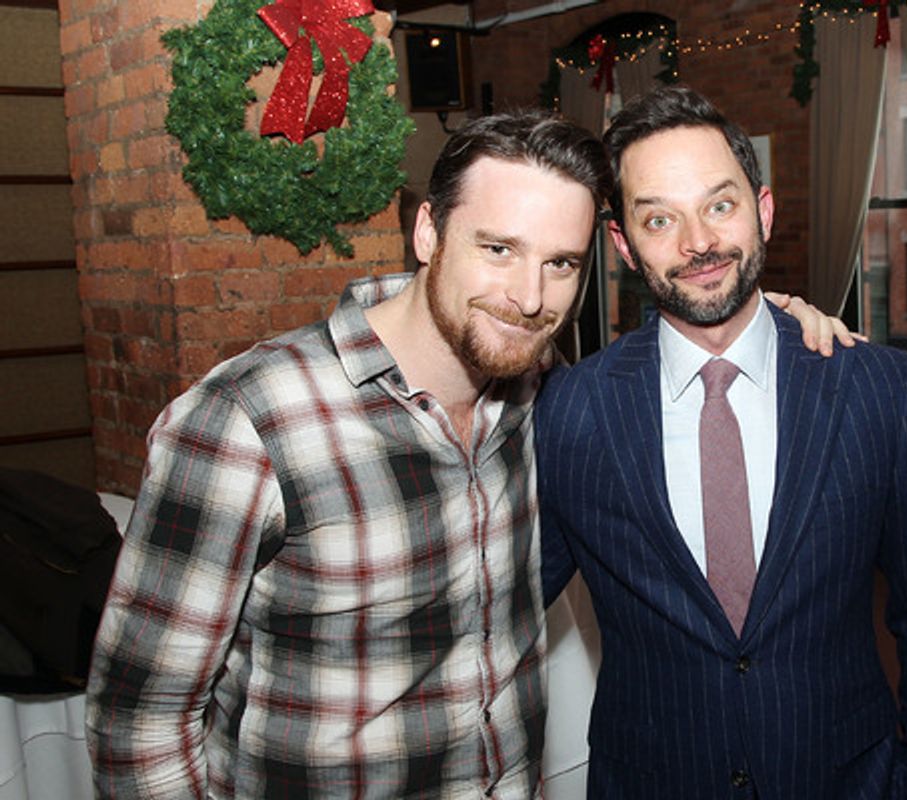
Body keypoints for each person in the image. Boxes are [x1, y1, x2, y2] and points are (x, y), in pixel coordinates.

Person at [85, 109, 849, 799]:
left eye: (561, 263)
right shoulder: (249, 420)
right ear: (427, 233)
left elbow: (681, 365)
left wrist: (764, 324)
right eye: (497, 248)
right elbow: (138, 726)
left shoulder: (543, 399)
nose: (528, 296)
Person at [535, 86, 907, 799]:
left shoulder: (876, 390)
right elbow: (500, 606)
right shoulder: (570, 411)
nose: (698, 243)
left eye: (720, 205)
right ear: (622, 244)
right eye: (658, 218)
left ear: (762, 210)